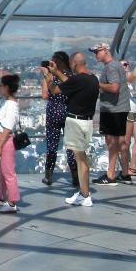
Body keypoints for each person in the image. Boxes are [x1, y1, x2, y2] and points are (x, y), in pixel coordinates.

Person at [47, 52, 100, 207]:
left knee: (80, 159)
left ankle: (85, 195)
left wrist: (49, 79)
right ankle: (84, 192)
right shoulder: (92, 79)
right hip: (87, 123)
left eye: (71, 64)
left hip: (75, 123)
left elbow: (55, 90)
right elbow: (71, 83)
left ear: (75, 64)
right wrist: (56, 71)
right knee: (81, 157)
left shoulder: (77, 80)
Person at [89, 43, 132, 186]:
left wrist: (97, 84)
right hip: (120, 107)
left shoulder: (111, 67)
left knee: (112, 142)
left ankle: (111, 174)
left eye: (97, 51)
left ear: (106, 51)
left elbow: (114, 88)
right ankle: (125, 173)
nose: (95, 54)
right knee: (121, 142)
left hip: (113, 109)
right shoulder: (116, 65)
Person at [40, 51, 78, 186]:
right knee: (71, 145)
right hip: (69, 112)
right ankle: (75, 175)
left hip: (53, 113)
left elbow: (45, 95)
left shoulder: (51, 77)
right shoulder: (71, 76)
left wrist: (45, 76)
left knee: (52, 145)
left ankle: (48, 176)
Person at [0, 74, 21, 213]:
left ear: (7, 87)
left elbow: (8, 128)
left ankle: (12, 201)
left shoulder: (12, 105)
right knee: (2, 172)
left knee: (8, 171)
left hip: (5, 140)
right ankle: (2, 197)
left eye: (1, 86)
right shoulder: (3, 101)